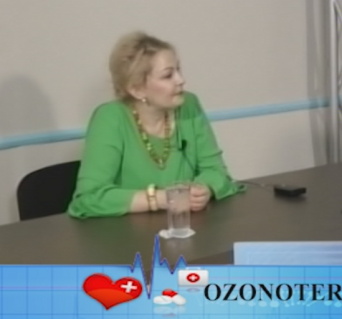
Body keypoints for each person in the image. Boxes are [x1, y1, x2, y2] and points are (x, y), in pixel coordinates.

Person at [67, 31, 244, 218]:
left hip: (186, 227)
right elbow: (90, 197)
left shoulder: (189, 105)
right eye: (168, 75)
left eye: (178, 70)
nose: (181, 80)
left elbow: (216, 171)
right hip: (125, 232)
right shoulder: (110, 118)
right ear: (137, 89)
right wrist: (164, 198)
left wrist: (204, 189)